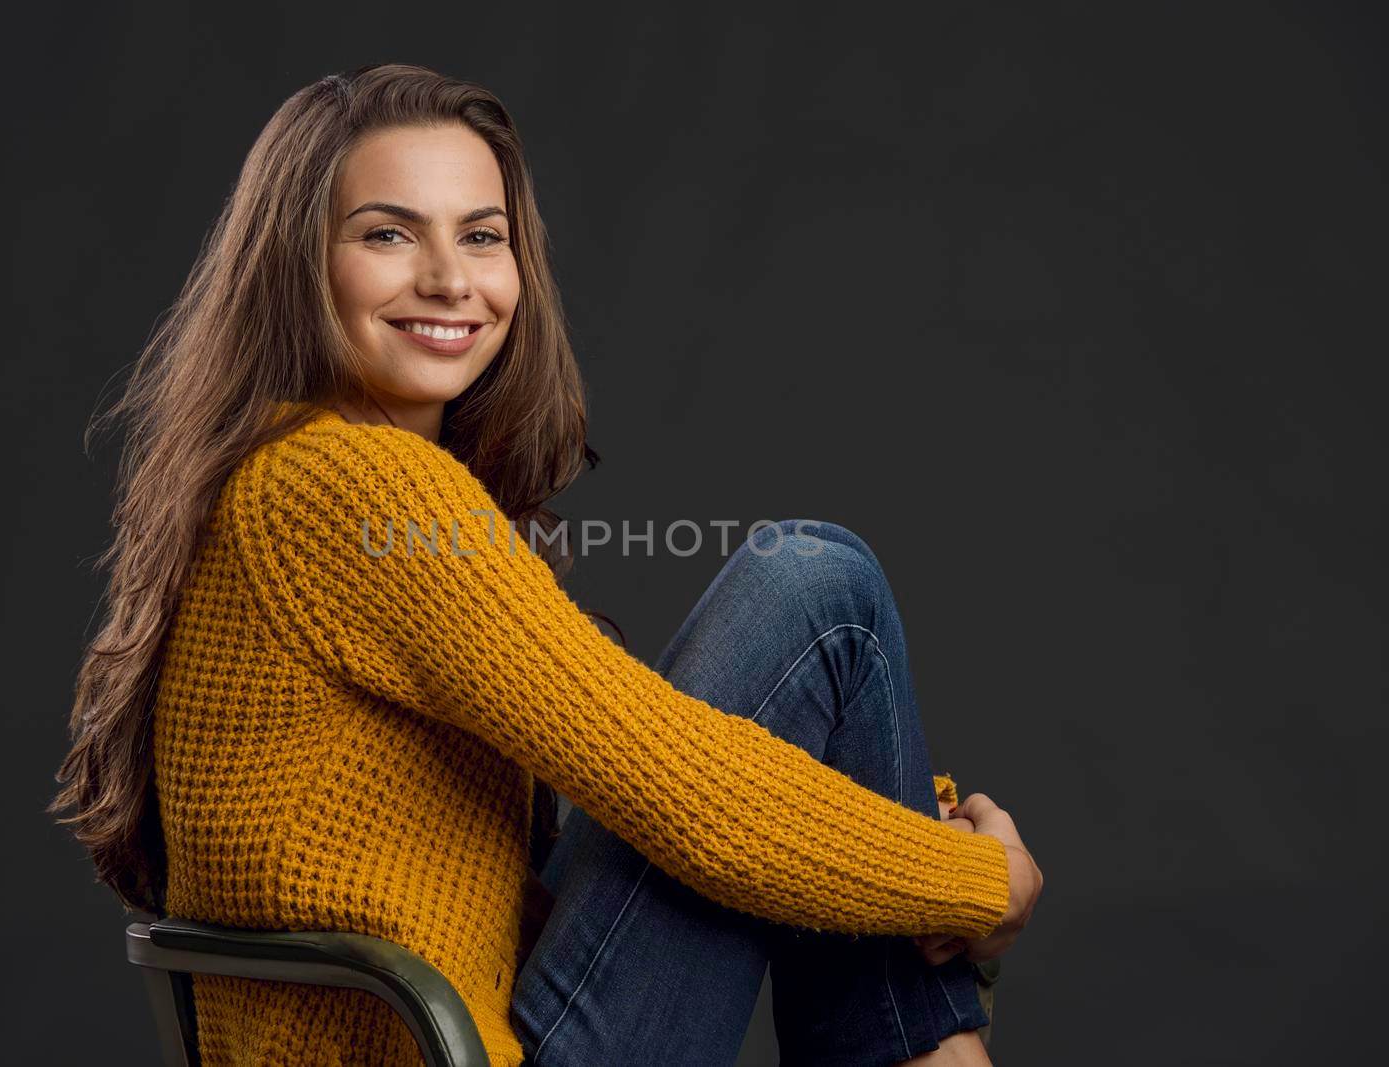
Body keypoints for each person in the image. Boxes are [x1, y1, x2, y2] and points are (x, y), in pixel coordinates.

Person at [50, 62, 1043, 1067]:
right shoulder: (356, 485)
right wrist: (977, 881)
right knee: (818, 586)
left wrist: (892, 834)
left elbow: (557, 861)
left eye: (483, 235)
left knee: (803, 612)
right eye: (388, 233)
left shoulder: (275, 473)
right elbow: (687, 791)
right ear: (296, 263)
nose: (449, 278)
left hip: (457, 1027)